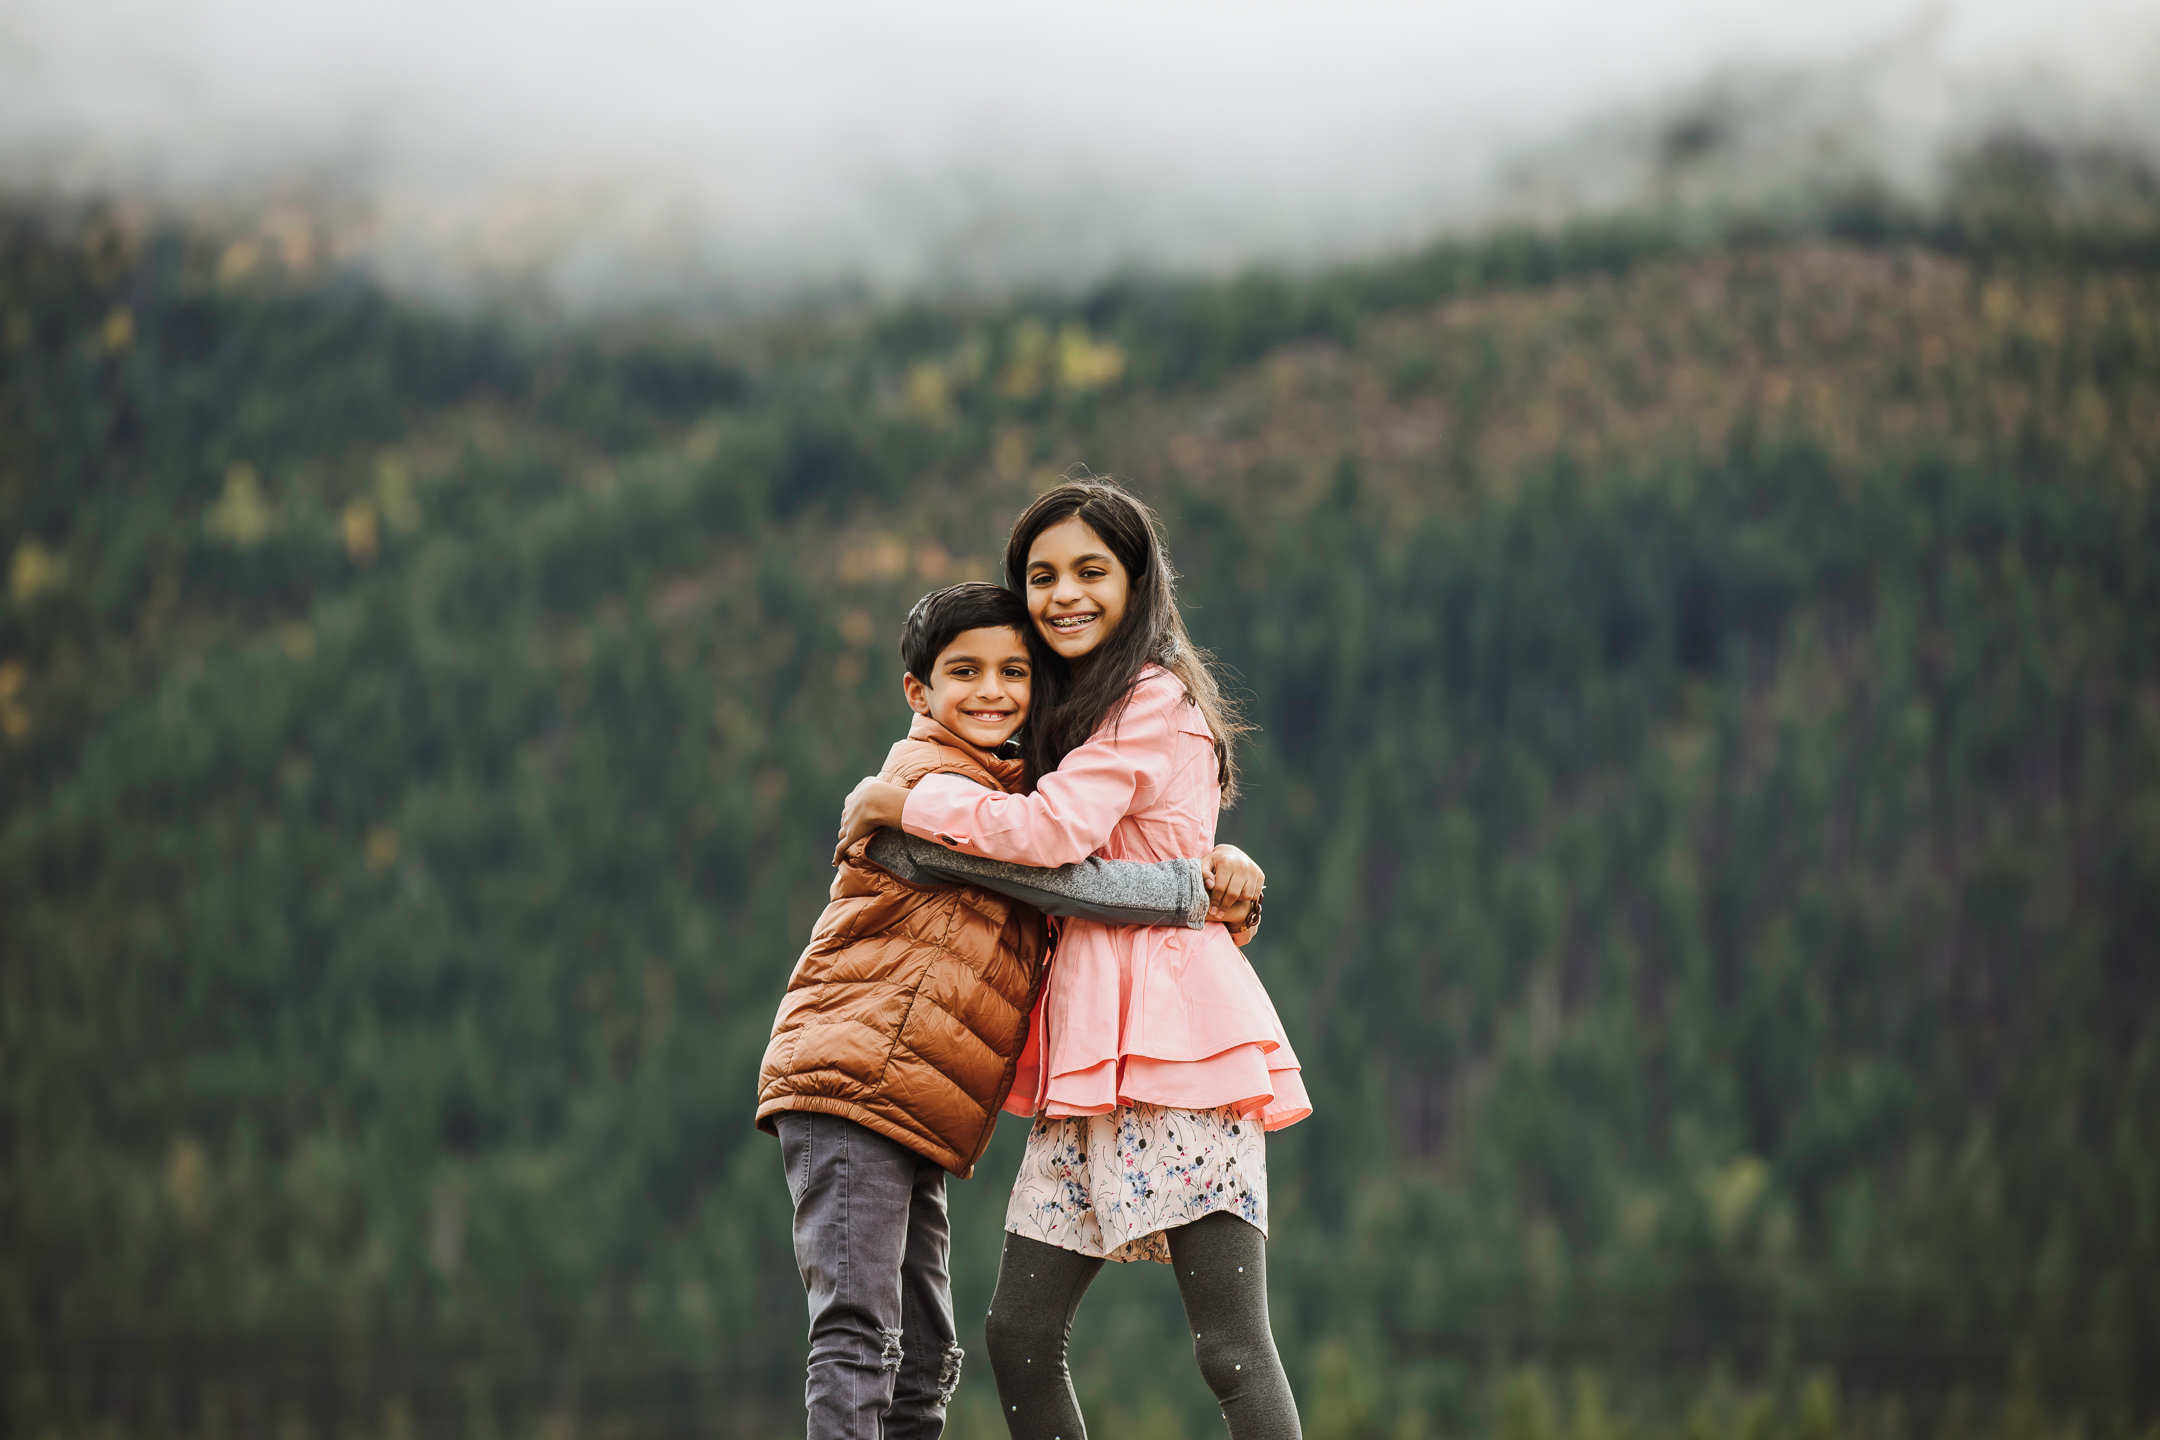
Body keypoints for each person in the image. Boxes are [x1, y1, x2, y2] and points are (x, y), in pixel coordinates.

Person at [836, 482, 1307, 1440]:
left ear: (1139, 582)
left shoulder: (1153, 696)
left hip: (1179, 1040)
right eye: (1041, 575)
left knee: (1228, 1344)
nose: (1064, 594)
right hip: (1091, 1050)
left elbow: (1054, 834)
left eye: (1091, 571)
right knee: (1018, 1334)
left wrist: (905, 805)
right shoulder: (1069, 706)